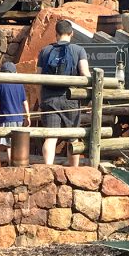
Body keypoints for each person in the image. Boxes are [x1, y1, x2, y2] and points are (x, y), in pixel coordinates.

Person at [38, 19, 89, 166]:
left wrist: (41, 98)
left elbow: (37, 77)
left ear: (56, 34)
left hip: (49, 98)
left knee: (51, 137)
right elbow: (85, 73)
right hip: (71, 99)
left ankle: (48, 168)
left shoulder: (45, 51)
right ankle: (74, 171)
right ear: (71, 33)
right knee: (73, 137)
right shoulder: (79, 50)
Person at [0, 61, 29, 165]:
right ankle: (20, 163)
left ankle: (11, 164)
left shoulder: (1, 85)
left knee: (9, 145)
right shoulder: (19, 85)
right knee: (18, 142)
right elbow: (25, 102)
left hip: (6, 118)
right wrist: (27, 116)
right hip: (18, 118)